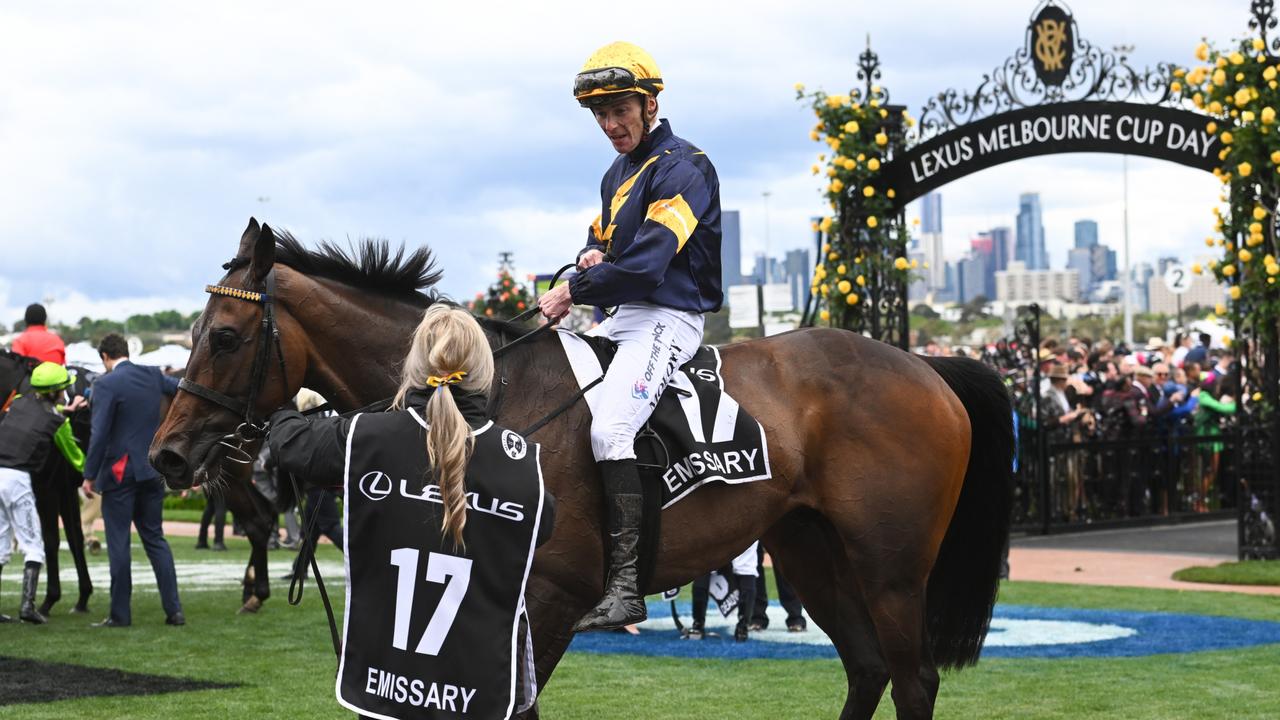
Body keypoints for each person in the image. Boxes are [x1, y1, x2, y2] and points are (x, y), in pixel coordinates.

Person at [267, 305, 555, 719]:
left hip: (386, 690)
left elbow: (290, 443)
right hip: (479, 694)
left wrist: (281, 405)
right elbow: (542, 525)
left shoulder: (366, 435)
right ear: (485, 374)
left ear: (414, 369)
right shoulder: (523, 463)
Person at [538, 41, 723, 632]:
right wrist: (585, 261)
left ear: (649, 104)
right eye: (600, 115)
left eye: (620, 110)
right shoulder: (615, 174)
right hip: (622, 316)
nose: (610, 125)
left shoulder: (684, 167)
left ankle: (625, 588)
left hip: (671, 315)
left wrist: (572, 290)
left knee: (611, 426)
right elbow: (600, 249)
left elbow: (645, 266)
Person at [81, 333, 184, 628]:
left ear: (104, 357)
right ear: (127, 351)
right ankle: (174, 611)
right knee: (155, 539)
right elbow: (181, 388)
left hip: (119, 473)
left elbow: (98, 434)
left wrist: (89, 475)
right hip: (151, 469)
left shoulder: (105, 384)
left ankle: (120, 615)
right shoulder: (152, 374)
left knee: (119, 543)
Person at [0, 362, 85, 623]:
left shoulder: (17, 401)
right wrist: (90, 474)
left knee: (1, 544)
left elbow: (36, 413)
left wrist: (64, 411)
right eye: (62, 389)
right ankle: (27, 607)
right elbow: (76, 458)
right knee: (34, 546)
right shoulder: (58, 421)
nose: (65, 392)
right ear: (55, 392)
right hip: (18, 481)